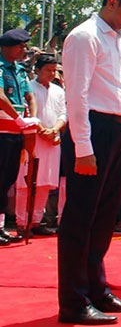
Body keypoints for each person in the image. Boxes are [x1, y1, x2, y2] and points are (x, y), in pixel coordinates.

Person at [59, 0, 121, 324]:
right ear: (112, 2)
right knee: (80, 218)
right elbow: (77, 95)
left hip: (118, 132)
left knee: (105, 217)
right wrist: (83, 147)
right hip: (94, 131)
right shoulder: (85, 37)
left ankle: (97, 289)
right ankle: (74, 302)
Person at [15, 54, 65, 237]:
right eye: (48, 70)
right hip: (32, 140)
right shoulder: (28, 88)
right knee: (25, 182)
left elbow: (63, 113)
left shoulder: (59, 91)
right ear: (37, 70)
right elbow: (26, 111)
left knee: (45, 183)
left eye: (54, 70)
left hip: (52, 141)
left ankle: (36, 221)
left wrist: (54, 130)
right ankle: (22, 222)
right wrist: (41, 129)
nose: (52, 74)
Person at [0, 29, 39, 246]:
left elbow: (30, 95)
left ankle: (1, 227)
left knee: (7, 180)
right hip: (2, 129)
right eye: (19, 46)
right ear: (5, 47)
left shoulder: (20, 71)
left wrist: (31, 118)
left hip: (16, 132)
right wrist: (17, 117)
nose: (23, 50)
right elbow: (0, 95)